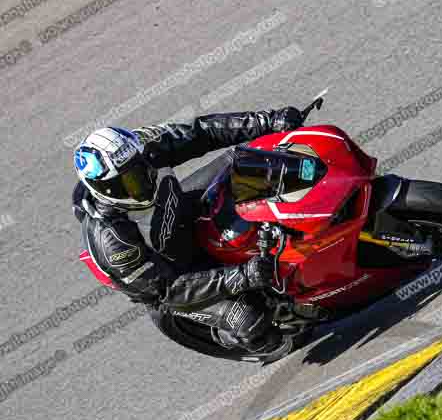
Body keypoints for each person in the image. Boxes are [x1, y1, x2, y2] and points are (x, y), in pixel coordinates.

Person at [72, 107, 305, 353]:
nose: (145, 177)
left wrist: (268, 121)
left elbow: (200, 132)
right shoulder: (112, 240)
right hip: (177, 277)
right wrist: (243, 276)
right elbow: (168, 290)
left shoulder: (142, 147)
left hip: (180, 212)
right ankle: (260, 342)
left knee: (250, 157)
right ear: (107, 189)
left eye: (142, 167)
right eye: (133, 180)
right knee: (248, 319)